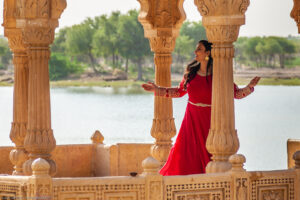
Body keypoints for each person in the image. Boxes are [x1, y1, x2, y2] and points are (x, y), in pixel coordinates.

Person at [142, 40, 260, 176]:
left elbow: (237, 94)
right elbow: (179, 92)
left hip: (209, 122)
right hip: (190, 121)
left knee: (209, 154)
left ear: (208, 53)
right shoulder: (190, 74)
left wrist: (250, 87)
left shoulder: (219, 76)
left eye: (199, 49)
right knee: (184, 155)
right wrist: (157, 89)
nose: (195, 52)